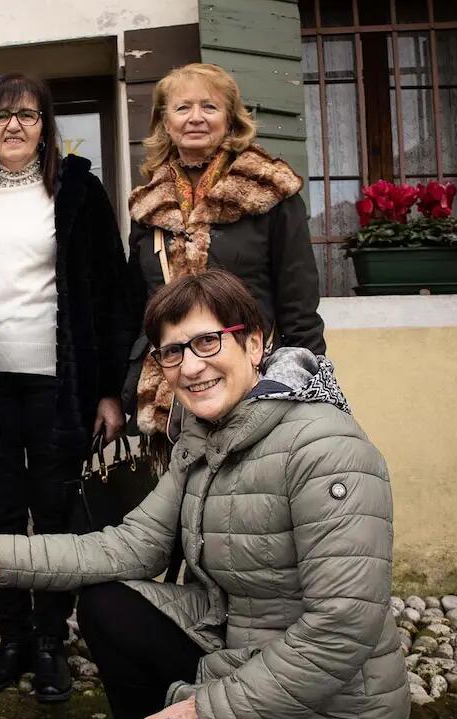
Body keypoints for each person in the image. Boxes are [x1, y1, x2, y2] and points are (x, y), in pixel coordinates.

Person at [0, 270, 408, 719]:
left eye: (208, 341)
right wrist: (3, 556)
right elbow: (131, 545)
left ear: (254, 343)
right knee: (108, 603)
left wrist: (201, 715)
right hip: (239, 651)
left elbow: (341, 629)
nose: (190, 366)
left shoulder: (326, 450)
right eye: (172, 351)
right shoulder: (203, 437)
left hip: (336, 717)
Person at [0, 73, 142, 702]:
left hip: (60, 388)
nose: (14, 126)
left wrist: (110, 391)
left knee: (57, 514)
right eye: (0, 116)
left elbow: (112, 295)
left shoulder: (79, 193)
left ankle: (50, 643)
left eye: (28, 116)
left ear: (46, 127)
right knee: (2, 515)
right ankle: (11, 640)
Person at [126, 63, 325, 453]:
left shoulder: (271, 193)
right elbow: (137, 305)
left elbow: (299, 304)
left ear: (231, 121)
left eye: (209, 107)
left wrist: (304, 382)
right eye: (183, 108)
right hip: (174, 393)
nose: (195, 118)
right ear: (165, 123)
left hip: (255, 387)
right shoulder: (147, 207)